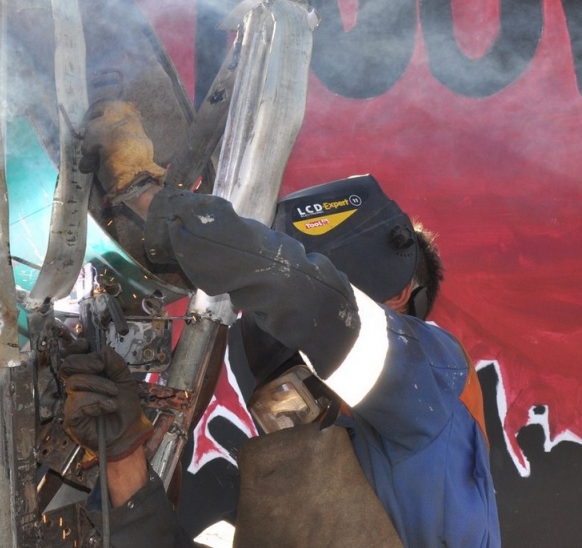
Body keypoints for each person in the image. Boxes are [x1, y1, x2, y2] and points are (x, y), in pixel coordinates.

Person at [60, 101, 500, 546]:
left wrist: (150, 200)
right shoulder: (305, 456)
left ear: (398, 293)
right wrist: (121, 454)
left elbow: (313, 301)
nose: (269, 317)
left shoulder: (431, 377)